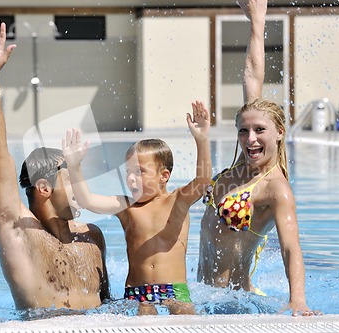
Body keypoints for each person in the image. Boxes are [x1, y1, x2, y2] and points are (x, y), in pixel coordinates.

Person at [197, 0, 319, 316]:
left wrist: (298, 299)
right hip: (202, 295)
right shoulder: (244, 162)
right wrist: (257, 22)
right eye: (243, 130)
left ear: (279, 132)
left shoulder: (274, 187)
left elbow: (292, 247)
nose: (250, 139)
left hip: (232, 304)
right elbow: (252, 74)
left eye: (259, 130)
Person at [0, 17, 109, 311]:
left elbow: (110, 306)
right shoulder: (20, 234)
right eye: (70, 175)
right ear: (44, 187)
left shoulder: (92, 238)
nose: (81, 183)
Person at [61, 101, 211, 315]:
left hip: (175, 292)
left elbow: (204, 181)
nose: (131, 178)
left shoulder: (178, 200)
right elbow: (87, 201)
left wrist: (202, 140)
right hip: (137, 294)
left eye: (140, 172)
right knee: (143, 316)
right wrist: (74, 166)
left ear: (164, 176)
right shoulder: (126, 206)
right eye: (128, 172)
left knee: (185, 318)